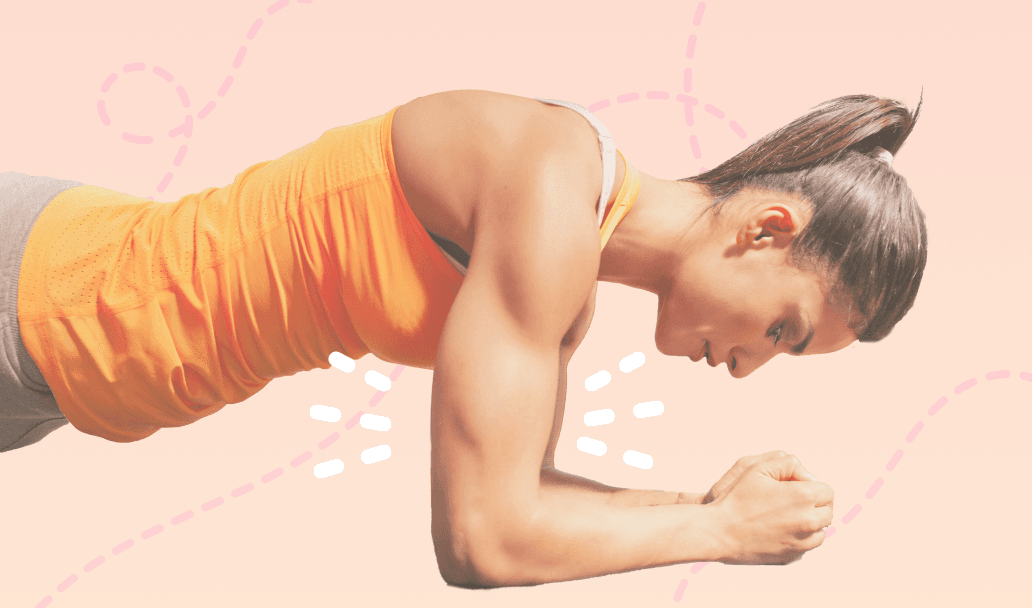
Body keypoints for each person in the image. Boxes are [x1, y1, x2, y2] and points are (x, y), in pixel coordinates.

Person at [0, 89, 925, 587]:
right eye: (783, 329)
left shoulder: (568, 259)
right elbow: (484, 540)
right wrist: (719, 530)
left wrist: (699, 501)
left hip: (56, 360)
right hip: (40, 297)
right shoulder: (550, 191)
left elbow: (525, 495)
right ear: (766, 229)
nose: (751, 366)